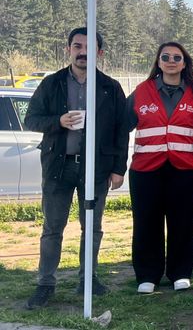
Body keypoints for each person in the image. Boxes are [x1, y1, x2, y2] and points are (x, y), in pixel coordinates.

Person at [23, 28, 129, 309]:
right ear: (68, 49)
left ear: (100, 53)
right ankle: (45, 283)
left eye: (89, 47)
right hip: (59, 166)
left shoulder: (110, 87)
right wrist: (58, 121)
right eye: (77, 46)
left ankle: (88, 280)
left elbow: (122, 131)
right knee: (52, 228)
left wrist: (119, 168)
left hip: (96, 169)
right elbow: (31, 119)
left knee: (92, 228)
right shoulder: (52, 83)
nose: (83, 52)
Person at [126, 42, 193, 293]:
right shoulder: (142, 91)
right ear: (158, 62)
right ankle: (148, 274)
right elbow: (123, 124)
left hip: (184, 169)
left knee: (183, 222)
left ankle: (180, 272)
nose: (171, 61)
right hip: (146, 170)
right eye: (166, 57)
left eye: (177, 57)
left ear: (184, 63)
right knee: (147, 222)